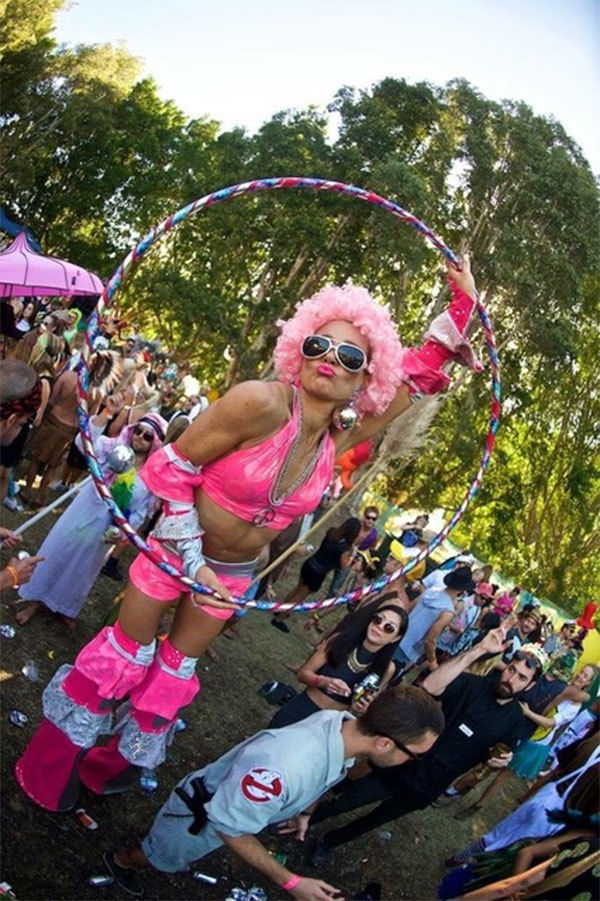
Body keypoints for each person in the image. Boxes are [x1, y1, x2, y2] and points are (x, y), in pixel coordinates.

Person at [16, 259, 483, 811]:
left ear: (365, 379)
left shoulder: (337, 437)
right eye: (318, 345)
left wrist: (463, 304)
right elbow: (170, 469)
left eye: (350, 356)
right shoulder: (260, 402)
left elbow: (417, 375)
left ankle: (100, 772)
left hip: (232, 576)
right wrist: (193, 560)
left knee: (171, 676)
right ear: (298, 348)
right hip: (174, 551)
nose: (330, 359)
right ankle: (47, 773)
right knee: (123, 659)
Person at [104, 686, 445, 898]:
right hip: (198, 819)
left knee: (175, 853)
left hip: (224, 810)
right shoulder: (287, 767)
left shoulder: (343, 727)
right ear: (383, 743)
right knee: (161, 854)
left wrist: (305, 810)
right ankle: (122, 861)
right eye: (414, 755)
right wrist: (292, 882)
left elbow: (328, 773)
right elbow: (228, 827)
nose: (411, 762)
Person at [304, 621, 542, 865]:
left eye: (521, 677)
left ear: (530, 685)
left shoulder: (515, 720)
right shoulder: (474, 685)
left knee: (375, 819)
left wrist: (502, 760)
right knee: (350, 798)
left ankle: (329, 841)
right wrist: (479, 649)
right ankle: (304, 818)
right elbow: (430, 686)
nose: (511, 679)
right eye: (511, 670)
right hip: (405, 760)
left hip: (432, 782)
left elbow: (502, 753)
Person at [14, 398, 165, 628]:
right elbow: (83, 441)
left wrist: (123, 531)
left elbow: (139, 512)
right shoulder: (112, 448)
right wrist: (105, 414)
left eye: (147, 437)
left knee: (83, 569)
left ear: (155, 444)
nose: (139, 438)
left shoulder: (149, 478)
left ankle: (64, 606)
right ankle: (35, 600)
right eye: (138, 431)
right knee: (58, 553)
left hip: (105, 531)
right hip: (82, 513)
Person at [270, 603, 408, 727]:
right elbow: (302, 674)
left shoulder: (387, 668)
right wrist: (322, 681)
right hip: (302, 709)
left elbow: (365, 708)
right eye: (378, 619)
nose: (379, 626)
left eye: (389, 628)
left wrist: (361, 708)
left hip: (332, 726)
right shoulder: (340, 640)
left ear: (396, 637)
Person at [271, 518, 361, 633]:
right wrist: (352, 555)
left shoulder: (331, 532)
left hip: (310, 563)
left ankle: (280, 609)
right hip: (318, 573)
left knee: (297, 589)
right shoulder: (345, 548)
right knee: (300, 596)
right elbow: (344, 566)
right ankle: (279, 619)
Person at [512, 662, 598, 780]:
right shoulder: (562, 683)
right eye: (581, 672)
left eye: (585, 676)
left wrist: (528, 712)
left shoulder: (575, 706)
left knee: (507, 771)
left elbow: (549, 723)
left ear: (588, 682)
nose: (580, 676)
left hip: (537, 738)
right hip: (523, 725)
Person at [392, 564, 475, 675]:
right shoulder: (447, 611)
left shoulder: (430, 591)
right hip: (408, 650)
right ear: (462, 589)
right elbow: (430, 639)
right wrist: (433, 662)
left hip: (395, 636)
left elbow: (409, 608)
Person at [327, 505, 380, 597]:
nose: (370, 520)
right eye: (368, 517)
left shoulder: (374, 535)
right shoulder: (355, 525)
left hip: (350, 560)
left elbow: (371, 551)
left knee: (337, 585)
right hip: (339, 552)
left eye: (374, 519)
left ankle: (328, 600)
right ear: (364, 516)